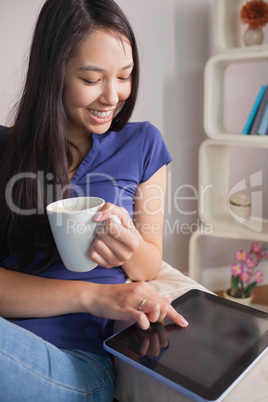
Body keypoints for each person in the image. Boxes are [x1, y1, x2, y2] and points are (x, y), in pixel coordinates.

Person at [0, 0, 188, 400]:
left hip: (76, 363)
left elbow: (149, 262)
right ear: (53, 73)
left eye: (125, 76)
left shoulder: (143, 144)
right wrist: (94, 295)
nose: (112, 96)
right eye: (91, 79)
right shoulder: (5, 150)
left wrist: (130, 247)